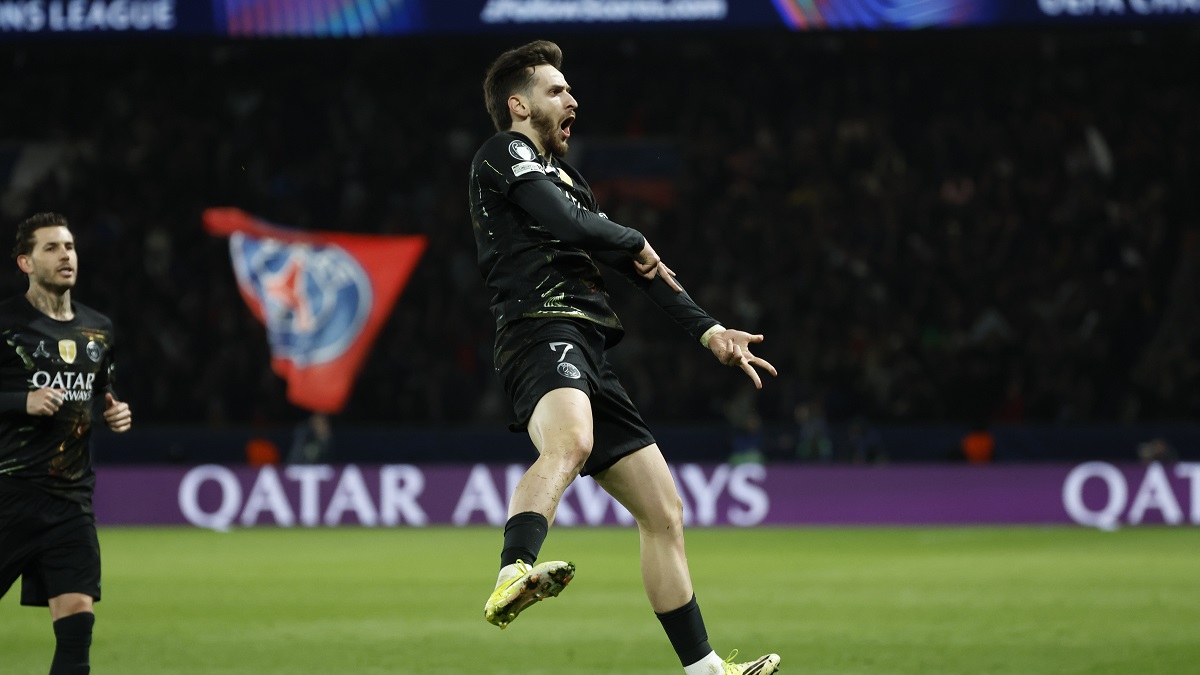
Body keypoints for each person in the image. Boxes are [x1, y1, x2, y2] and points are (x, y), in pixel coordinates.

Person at [468, 41, 781, 675]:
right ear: (519, 104)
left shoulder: (570, 181)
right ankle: (512, 572)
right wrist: (633, 237)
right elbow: (576, 228)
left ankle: (705, 670)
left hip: (590, 349)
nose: (572, 99)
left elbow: (638, 266)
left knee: (664, 512)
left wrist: (710, 331)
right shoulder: (503, 153)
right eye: (557, 90)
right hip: (538, 328)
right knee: (570, 442)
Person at [0, 213, 133, 674]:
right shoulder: (5, 324)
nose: (65, 256)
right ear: (25, 262)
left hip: (70, 503)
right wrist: (21, 401)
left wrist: (115, 412)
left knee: (77, 627)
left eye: (70, 247)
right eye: (51, 248)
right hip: (8, 495)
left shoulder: (98, 329)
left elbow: (101, 393)